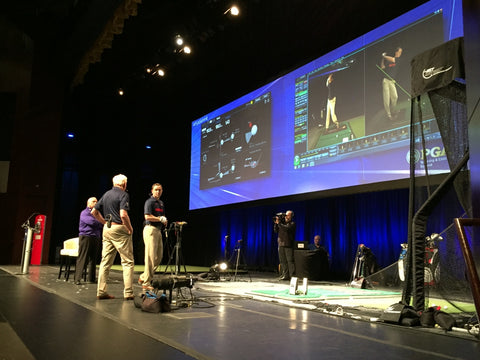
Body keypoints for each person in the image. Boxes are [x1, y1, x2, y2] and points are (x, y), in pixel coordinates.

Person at [91, 174, 135, 300]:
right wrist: (130, 228)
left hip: (107, 229)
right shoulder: (123, 194)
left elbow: (94, 211)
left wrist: (104, 222)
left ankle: (101, 291)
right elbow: (123, 214)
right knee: (127, 261)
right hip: (119, 229)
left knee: (105, 261)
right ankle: (128, 292)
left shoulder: (106, 194)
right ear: (124, 184)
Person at [138, 183, 167, 292]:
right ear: (152, 190)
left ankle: (143, 276)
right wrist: (160, 219)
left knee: (158, 257)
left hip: (158, 230)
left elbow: (160, 217)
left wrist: (163, 220)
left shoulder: (161, 203)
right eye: (156, 190)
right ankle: (146, 283)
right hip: (150, 229)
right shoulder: (149, 202)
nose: (158, 192)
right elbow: (147, 216)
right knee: (150, 257)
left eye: (160, 190)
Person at [74, 197, 103, 285]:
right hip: (86, 237)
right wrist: (100, 221)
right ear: (88, 203)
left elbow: (101, 223)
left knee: (93, 259)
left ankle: (91, 278)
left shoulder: (97, 213)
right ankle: (77, 279)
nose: (96, 203)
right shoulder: (85, 212)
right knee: (83, 257)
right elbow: (92, 222)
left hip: (96, 237)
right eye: (94, 201)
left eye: (96, 202)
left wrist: (100, 221)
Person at [381, 47, 403, 121]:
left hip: (392, 81)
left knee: (395, 96)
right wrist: (383, 59)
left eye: (401, 52)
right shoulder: (389, 60)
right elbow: (382, 67)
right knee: (386, 98)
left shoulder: (397, 59)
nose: (400, 53)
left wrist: (384, 56)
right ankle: (389, 115)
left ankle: (393, 110)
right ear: (396, 52)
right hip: (386, 81)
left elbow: (392, 59)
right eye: (399, 52)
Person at [274, 210, 296, 281]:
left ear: (291, 216)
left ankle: (292, 276)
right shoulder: (282, 224)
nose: (286, 216)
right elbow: (276, 230)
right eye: (286, 215)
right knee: (283, 261)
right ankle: (285, 275)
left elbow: (286, 229)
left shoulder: (292, 224)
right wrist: (276, 223)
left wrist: (279, 223)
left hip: (288, 244)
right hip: (280, 244)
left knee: (290, 261)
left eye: (288, 215)